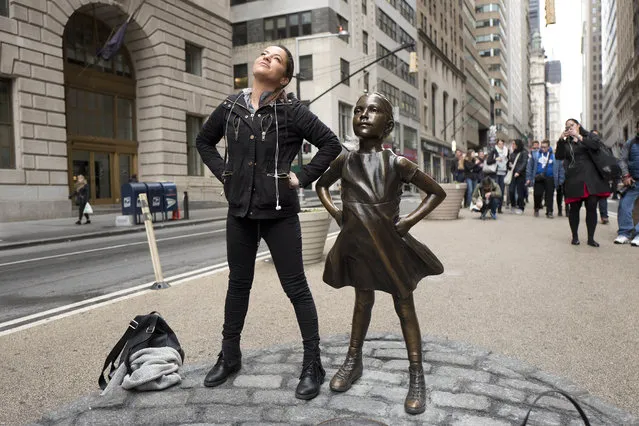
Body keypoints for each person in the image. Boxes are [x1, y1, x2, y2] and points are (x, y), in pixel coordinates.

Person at [196, 45, 342, 399]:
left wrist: (301, 177)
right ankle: (230, 355)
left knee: (296, 288)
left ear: (285, 77)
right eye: (264, 53)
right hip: (240, 215)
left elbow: (330, 144)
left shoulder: (292, 112)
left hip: (279, 215)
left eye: (275, 58)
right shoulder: (232, 106)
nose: (266, 58)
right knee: (238, 286)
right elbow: (203, 142)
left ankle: (313, 364)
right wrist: (226, 174)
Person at [315, 92, 446, 415]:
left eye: (372, 111)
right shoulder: (344, 160)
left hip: (389, 244)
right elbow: (321, 185)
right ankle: (353, 360)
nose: (362, 115)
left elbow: (436, 192)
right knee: (362, 300)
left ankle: (416, 373)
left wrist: (408, 222)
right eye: (358, 110)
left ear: (387, 125)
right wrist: (336, 213)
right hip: (357, 244)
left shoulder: (396, 162)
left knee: (404, 304)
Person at [555, 118, 610, 246]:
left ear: (578, 125)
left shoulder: (589, 136)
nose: (569, 128)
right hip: (574, 179)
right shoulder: (566, 142)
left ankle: (591, 238)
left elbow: (596, 146)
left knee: (591, 207)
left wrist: (579, 136)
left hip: (591, 179)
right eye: (567, 126)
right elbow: (559, 156)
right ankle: (575, 236)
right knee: (574, 208)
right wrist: (560, 140)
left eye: (572, 125)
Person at [613, 120, 639, 246]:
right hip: (633, 181)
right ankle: (624, 233)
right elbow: (622, 160)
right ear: (637, 128)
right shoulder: (630, 143)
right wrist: (626, 175)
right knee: (624, 206)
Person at [526, 140, 555, 218]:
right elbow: (530, 167)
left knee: (549, 195)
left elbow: (558, 168)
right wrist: (529, 178)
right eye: (541, 147)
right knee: (537, 194)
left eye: (545, 147)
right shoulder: (536, 155)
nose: (543, 148)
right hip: (538, 177)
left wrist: (559, 179)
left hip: (550, 177)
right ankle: (536, 208)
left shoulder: (553, 156)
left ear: (548, 147)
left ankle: (549, 211)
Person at [591, 130, 610, 224]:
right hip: (591, 177)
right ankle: (592, 216)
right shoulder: (588, 148)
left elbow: (610, 161)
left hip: (602, 176)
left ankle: (604, 216)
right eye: (593, 136)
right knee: (592, 199)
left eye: (596, 136)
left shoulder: (604, 148)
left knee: (603, 198)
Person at [507, 139, 528, 214]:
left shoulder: (524, 153)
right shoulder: (512, 154)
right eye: (512, 144)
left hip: (520, 175)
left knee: (520, 192)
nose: (512, 146)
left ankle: (521, 207)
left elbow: (524, 163)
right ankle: (513, 205)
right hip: (512, 174)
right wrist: (509, 165)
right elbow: (509, 163)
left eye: (514, 144)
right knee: (511, 190)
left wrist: (518, 172)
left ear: (518, 145)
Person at [492, 139, 509, 213]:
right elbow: (490, 160)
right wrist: (496, 159)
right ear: (497, 144)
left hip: (503, 173)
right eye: (499, 144)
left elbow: (508, 160)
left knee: (501, 191)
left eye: (502, 143)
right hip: (496, 173)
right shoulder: (494, 151)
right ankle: (494, 206)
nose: (500, 145)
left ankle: (499, 208)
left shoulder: (506, 151)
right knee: (496, 190)